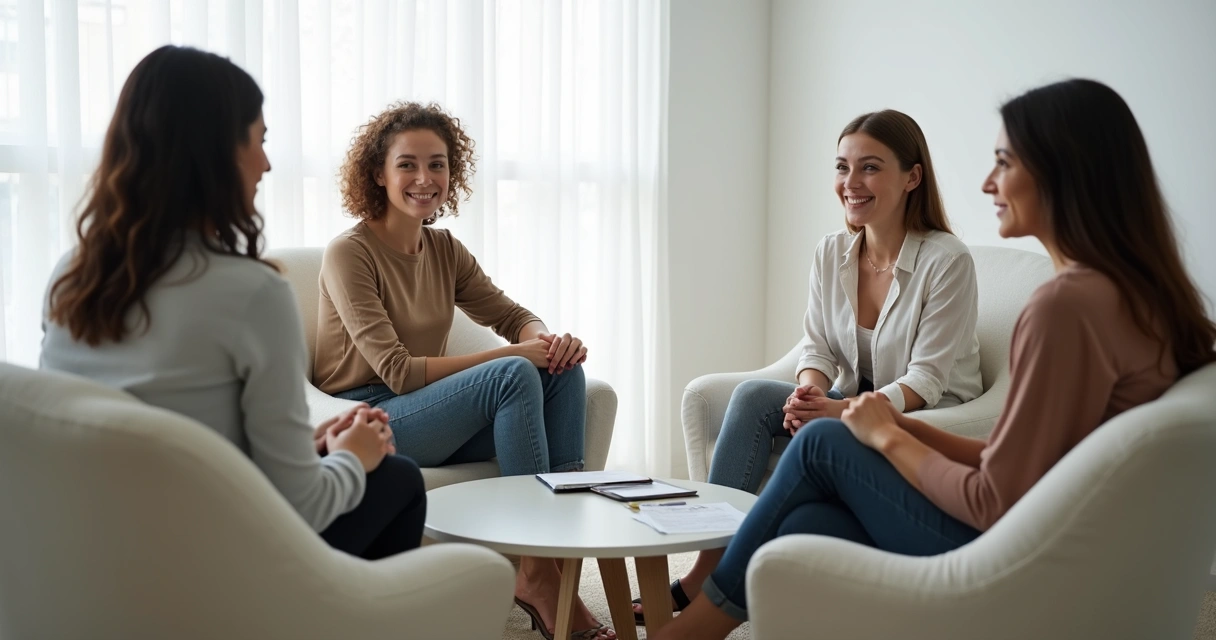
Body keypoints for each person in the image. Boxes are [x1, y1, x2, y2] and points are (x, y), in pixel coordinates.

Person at [652, 79, 1216, 640]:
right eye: (843, 167)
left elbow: (993, 498)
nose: (987, 182)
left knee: (826, 442)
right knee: (802, 522)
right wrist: (887, 421)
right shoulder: (1138, 297)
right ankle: (710, 596)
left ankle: (688, 633)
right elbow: (1017, 459)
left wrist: (888, 436)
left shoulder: (1063, 306)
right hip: (1062, 545)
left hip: (1018, 564)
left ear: (1065, 171)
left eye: (1004, 162)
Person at [40, 45, 426, 560]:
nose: (266, 164)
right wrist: (353, 458)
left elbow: (167, 429)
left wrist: (310, 446)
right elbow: (306, 507)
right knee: (397, 477)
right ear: (215, 152)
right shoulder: (251, 293)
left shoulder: (71, 273)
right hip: (214, 568)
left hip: (93, 548)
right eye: (259, 141)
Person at [634, 109, 982, 624]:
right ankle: (708, 567)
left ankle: (712, 595)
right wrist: (808, 392)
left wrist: (839, 411)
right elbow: (816, 346)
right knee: (755, 396)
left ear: (912, 177)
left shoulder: (946, 260)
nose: (851, 183)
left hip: (922, 414)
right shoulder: (832, 253)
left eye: (869, 167)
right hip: (846, 400)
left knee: (816, 422)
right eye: (842, 167)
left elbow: (926, 378)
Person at [314, 101, 610, 640]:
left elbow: (513, 317)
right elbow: (398, 373)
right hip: (370, 416)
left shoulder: (445, 249)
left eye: (438, 164)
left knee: (563, 371)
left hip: (435, 415)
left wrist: (546, 341)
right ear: (378, 174)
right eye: (407, 164)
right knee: (513, 375)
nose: (425, 178)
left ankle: (561, 566)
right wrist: (514, 358)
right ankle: (536, 575)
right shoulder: (348, 254)